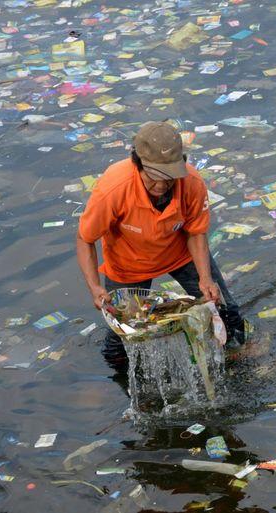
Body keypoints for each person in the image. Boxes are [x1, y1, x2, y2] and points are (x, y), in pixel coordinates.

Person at [76, 121, 247, 366]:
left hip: (180, 253)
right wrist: (94, 287)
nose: (160, 186)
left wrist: (205, 279)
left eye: (168, 179)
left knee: (225, 311)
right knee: (122, 338)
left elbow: (196, 233)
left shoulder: (192, 183)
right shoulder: (113, 188)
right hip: (129, 264)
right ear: (138, 164)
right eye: (153, 178)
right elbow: (85, 238)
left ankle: (236, 360)